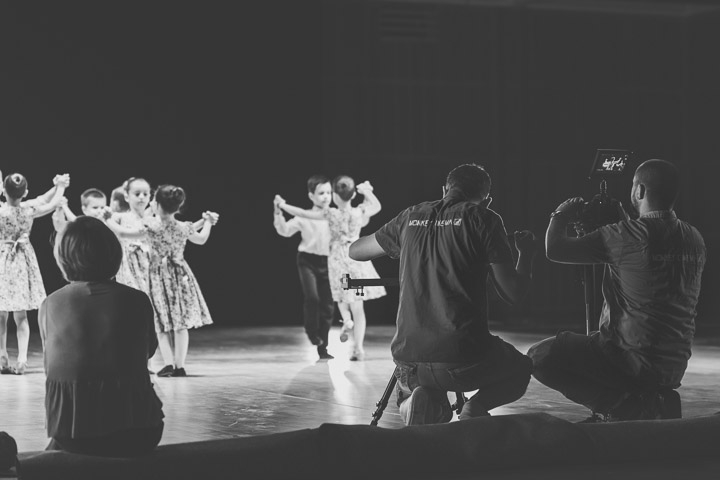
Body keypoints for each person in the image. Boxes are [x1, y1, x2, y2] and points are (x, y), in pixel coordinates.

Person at [349, 164, 537, 425]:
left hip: (409, 361)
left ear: (445, 189)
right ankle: (475, 408)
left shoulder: (410, 216)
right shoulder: (484, 218)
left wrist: (407, 242)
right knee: (521, 368)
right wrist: (526, 253)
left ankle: (415, 400)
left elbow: (356, 251)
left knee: (423, 389)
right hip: (463, 360)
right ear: (486, 199)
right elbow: (513, 293)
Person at [527, 159, 706, 422]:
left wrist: (560, 214)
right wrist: (622, 222)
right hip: (673, 365)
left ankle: (619, 406)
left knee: (539, 356)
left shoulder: (624, 235)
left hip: (629, 359)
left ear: (640, 191)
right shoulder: (694, 238)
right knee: (594, 341)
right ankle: (641, 400)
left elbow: (555, 249)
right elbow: (647, 256)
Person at [39, 216, 164, 456]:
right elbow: (148, 350)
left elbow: (52, 363)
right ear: (113, 252)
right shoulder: (137, 300)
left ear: (63, 259)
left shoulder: (50, 304)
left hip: (72, 434)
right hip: (140, 430)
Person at [275, 175, 386, 361]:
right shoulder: (358, 212)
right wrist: (367, 191)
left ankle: (346, 320)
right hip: (356, 260)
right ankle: (358, 348)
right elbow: (376, 206)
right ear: (352, 195)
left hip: (337, 261)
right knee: (358, 306)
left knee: (340, 298)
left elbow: (303, 213)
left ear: (334, 196)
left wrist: (283, 205)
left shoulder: (331, 214)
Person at [115, 185, 219, 377]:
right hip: (181, 276)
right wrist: (208, 223)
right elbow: (201, 238)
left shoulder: (152, 227)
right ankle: (180, 366)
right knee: (180, 323)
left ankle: (169, 363)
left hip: (158, 276)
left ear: (157, 205)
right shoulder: (183, 227)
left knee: (161, 322)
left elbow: (123, 233)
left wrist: (106, 219)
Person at [0, 173, 69, 375]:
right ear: (26, 193)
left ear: (4, 191)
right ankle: (22, 359)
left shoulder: (2, 211)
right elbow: (48, 203)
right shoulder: (29, 209)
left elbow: (43, 200)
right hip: (22, 261)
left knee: (1, 314)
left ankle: (2, 355)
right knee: (21, 315)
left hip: (3, 260)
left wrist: (56, 186)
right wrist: (60, 187)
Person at [273, 174, 336, 360]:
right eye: (321, 193)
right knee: (313, 298)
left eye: (329, 192)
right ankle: (311, 331)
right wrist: (278, 212)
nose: (326, 197)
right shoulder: (304, 217)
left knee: (328, 306)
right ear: (311, 196)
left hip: (329, 262)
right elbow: (284, 231)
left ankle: (323, 348)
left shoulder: (335, 215)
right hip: (307, 261)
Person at [105, 177, 153, 294]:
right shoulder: (119, 217)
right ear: (127, 196)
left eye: (145, 194)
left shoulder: (152, 220)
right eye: (137, 194)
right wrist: (106, 216)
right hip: (129, 266)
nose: (141, 197)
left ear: (150, 197)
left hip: (149, 265)